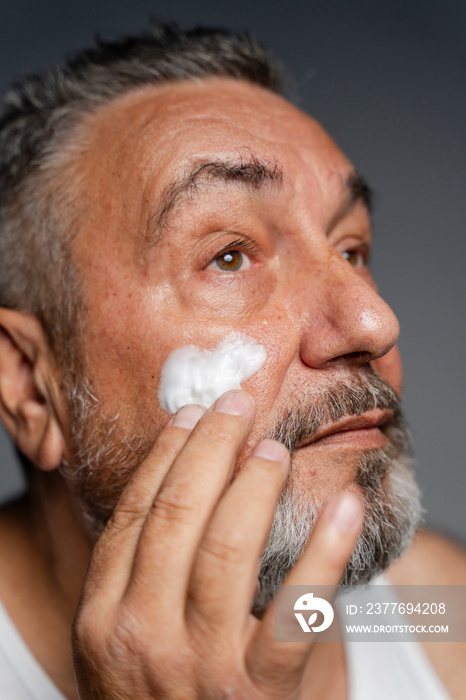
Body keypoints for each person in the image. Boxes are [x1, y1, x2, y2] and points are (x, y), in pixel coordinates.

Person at [0, 22, 464, 700]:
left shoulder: (442, 618)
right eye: (228, 256)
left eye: (351, 249)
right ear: (31, 387)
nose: (373, 320)